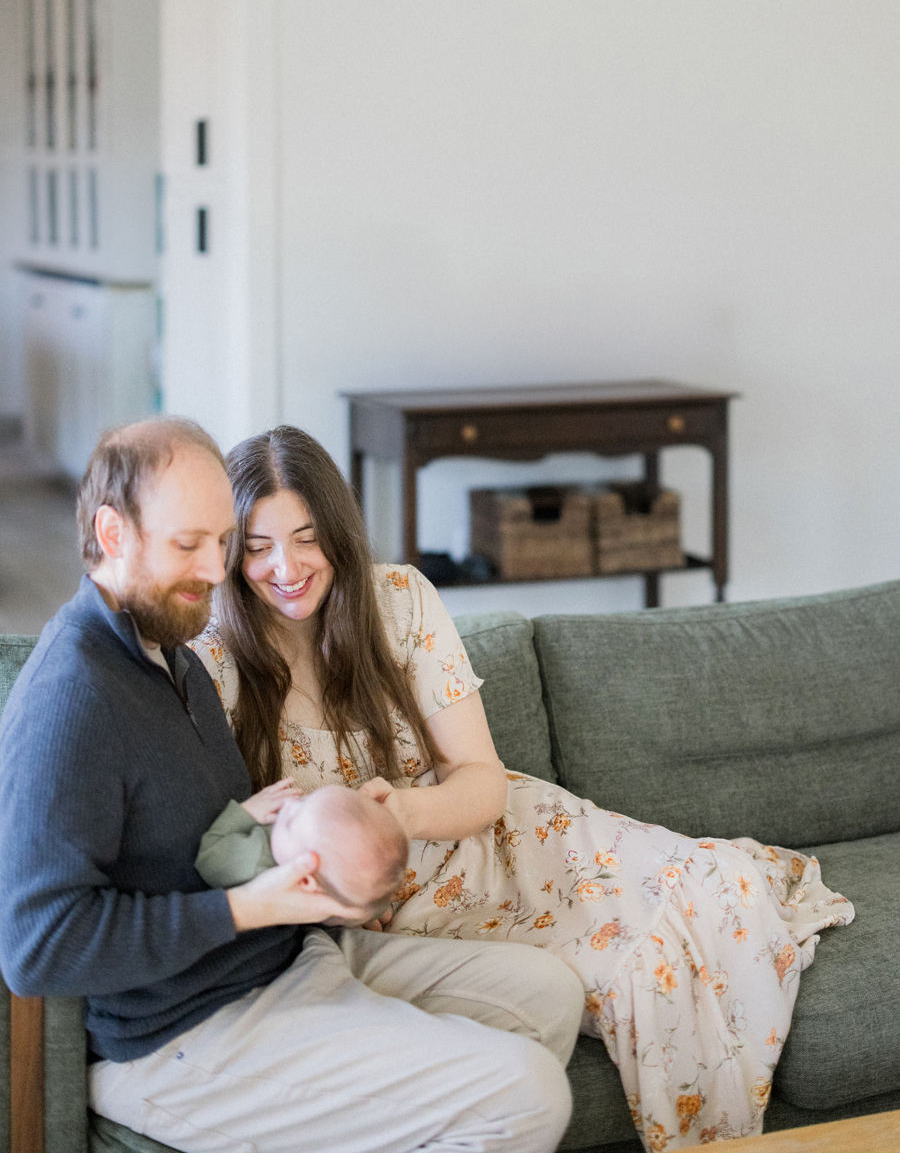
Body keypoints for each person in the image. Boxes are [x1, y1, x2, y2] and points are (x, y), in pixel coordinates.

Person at [192, 424, 856, 1152]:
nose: (285, 567)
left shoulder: (400, 601)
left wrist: (404, 809)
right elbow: (223, 849)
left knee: (721, 890)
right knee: (649, 968)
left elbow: (482, 780)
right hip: (407, 905)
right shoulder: (212, 657)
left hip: (510, 836)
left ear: (341, 535)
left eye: (307, 538)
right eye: (257, 547)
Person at [0, 416, 585, 1153]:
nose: (216, 573)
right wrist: (246, 908)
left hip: (287, 959)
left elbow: (172, 840)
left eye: (221, 545)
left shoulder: (169, 654)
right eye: (190, 546)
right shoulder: (71, 697)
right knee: (525, 1093)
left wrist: (249, 822)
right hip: (181, 1033)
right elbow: (38, 946)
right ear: (112, 535)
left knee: (550, 995)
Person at [196, 780, 409, 920]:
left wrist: (247, 812)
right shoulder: (337, 893)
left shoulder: (249, 860)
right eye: (306, 800)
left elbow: (206, 857)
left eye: (290, 822)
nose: (290, 804)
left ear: (305, 880)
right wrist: (372, 912)